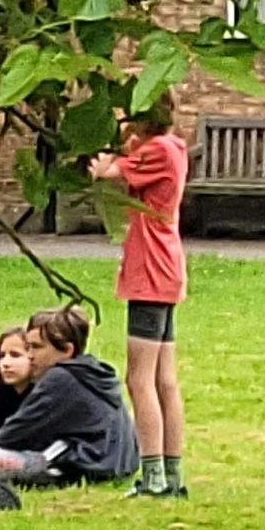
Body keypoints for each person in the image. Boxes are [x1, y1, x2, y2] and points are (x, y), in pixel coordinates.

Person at [90, 97, 190, 498]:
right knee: (165, 378)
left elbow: (105, 171)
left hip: (149, 270)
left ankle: (152, 477)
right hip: (164, 266)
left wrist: (111, 137)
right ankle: (171, 473)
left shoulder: (156, 151)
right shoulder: (173, 147)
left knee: (139, 378)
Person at [0, 304, 138, 487]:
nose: (30, 356)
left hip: (86, 465)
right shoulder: (91, 373)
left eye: (36, 347)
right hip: (119, 464)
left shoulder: (61, 378)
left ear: (67, 350)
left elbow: (11, 436)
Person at [0, 325, 34, 430]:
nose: (6, 363)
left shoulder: (45, 393)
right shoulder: (0, 391)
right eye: (2, 355)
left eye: (15, 355)